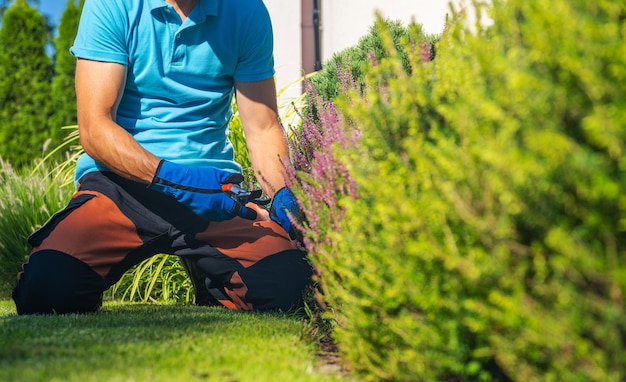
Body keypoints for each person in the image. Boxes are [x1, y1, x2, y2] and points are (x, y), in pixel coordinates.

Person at [12, 0, 312, 315]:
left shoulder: (246, 11)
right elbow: (95, 128)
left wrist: (284, 194)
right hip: (120, 186)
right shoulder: (111, 4)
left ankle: (212, 276)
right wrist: (177, 180)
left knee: (293, 290)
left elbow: (263, 129)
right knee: (46, 292)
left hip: (212, 194)